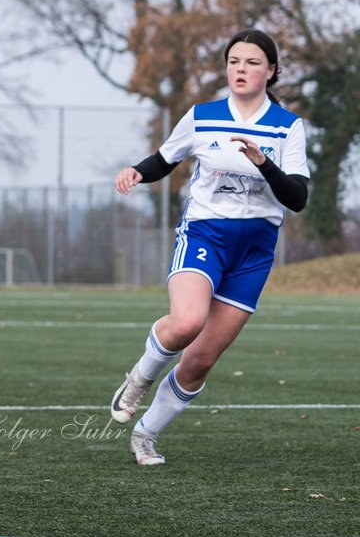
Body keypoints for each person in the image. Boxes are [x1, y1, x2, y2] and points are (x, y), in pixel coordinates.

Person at [109, 29, 309, 466]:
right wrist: (136, 172)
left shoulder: (288, 127)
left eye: (252, 62)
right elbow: (164, 159)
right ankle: (138, 379)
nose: (241, 69)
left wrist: (263, 162)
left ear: (271, 71)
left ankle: (145, 436)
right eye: (234, 61)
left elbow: (297, 197)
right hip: (205, 235)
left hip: (254, 250)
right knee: (186, 323)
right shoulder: (203, 115)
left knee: (200, 359)